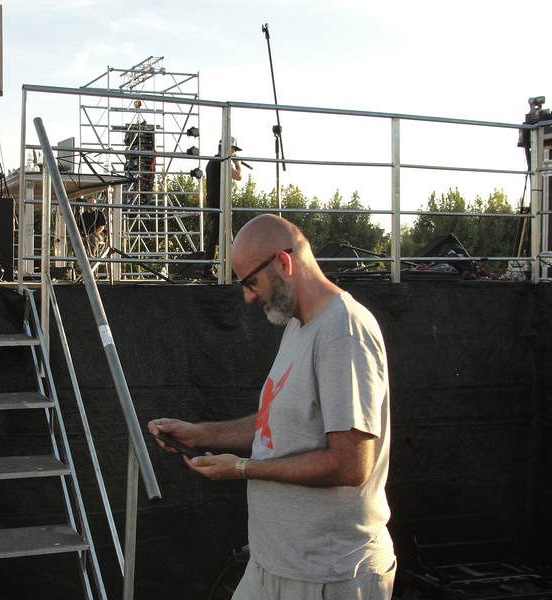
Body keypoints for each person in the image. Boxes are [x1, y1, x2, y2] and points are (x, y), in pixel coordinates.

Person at [148, 214, 395, 599]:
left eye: (250, 282)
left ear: (283, 262)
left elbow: (351, 464)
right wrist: (202, 433)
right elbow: (279, 422)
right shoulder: (299, 326)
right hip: (276, 564)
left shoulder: (343, 331)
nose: (247, 296)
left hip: (327, 575)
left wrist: (243, 468)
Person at [202, 137, 242, 279]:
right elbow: (239, 176)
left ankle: (228, 268)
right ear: (228, 148)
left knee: (219, 237)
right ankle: (214, 269)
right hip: (220, 204)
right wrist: (238, 164)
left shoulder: (213, 161)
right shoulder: (222, 162)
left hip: (215, 203)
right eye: (234, 150)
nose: (235, 153)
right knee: (218, 237)